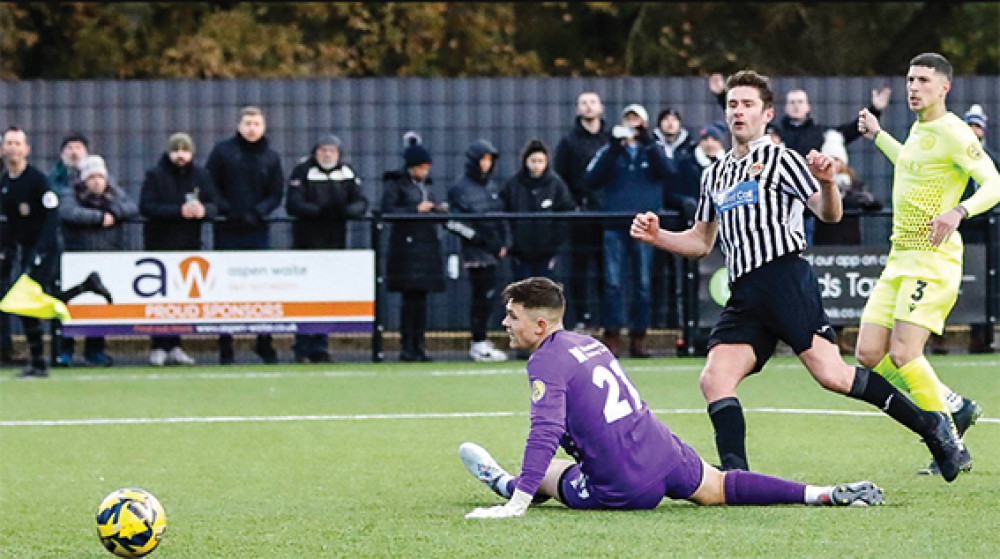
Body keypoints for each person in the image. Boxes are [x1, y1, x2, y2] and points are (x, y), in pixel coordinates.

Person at [629, 69, 966, 481]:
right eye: (733, 104)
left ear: (767, 114)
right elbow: (701, 241)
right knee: (715, 377)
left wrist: (827, 184)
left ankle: (932, 427)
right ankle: (736, 474)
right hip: (745, 293)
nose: (739, 111)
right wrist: (657, 235)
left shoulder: (781, 160)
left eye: (748, 104)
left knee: (833, 376)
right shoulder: (714, 174)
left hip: (785, 278)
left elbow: (829, 213)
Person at [457, 276, 885, 519]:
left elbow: (546, 430)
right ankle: (821, 493)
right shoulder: (588, 342)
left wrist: (517, 503)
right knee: (719, 486)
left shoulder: (545, 361)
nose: (505, 322)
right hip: (662, 450)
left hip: (622, 485)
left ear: (540, 326)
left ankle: (502, 483)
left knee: (552, 473)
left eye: (512, 316)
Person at [855, 53, 1000, 475]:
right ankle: (955, 406)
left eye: (922, 80)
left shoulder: (955, 131)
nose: (913, 87)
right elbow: (911, 165)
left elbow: (993, 182)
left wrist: (959, 212)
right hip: (900, 257)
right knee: (868, 353)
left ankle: (950, 444)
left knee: (904, 354)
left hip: (932, 259)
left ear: (944, 88)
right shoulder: (920, 130)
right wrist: (880, 135)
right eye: (909, 80)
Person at [709, 74, 891, 244]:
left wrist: (875, 109)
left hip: (809, 204)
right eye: (792, 102)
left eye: (800, 102)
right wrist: (721, 95)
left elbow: (851, 130)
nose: (796, 106)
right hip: (780, 207)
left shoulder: (820, 133)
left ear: (808, 106)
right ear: (784, 108)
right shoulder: (776, 132)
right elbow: (746, 118)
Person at [1, 127, 111, 378]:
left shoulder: (37, 180)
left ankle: (39, 362)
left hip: (46, 248)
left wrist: (41, 250)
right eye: (9, 143)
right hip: (26, 249)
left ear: (26, 149)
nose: (13, 148)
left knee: (24, 301)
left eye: (18, 143)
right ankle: (85, 287)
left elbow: (52, 217)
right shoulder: (5, 182)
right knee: (29, 302)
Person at [583, 103, 673, 358]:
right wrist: (613, 147)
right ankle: (612, 335)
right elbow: (591, 180)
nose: (632, 126)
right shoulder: (609, 150)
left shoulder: (653, 149)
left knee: (642, 284)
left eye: (637, 121)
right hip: (614, 225)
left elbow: (668, 171)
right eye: (628, 121)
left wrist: (648, 143)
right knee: (612, 284)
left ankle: (639, 338)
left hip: (644, 227)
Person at [206, 106, 284, 364]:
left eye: (257, 123)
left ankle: (264, 343)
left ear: (263, 127)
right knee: (225, 289)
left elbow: (276, 193)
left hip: (257, 230)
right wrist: (228, 210)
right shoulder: (223, 152)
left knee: (260, 288)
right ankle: (225, 346)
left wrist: (258, 212)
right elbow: (210, 185)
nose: (252, 128)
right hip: (227, 229)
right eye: (247, 123)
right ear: (239, 126)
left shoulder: (271, 157)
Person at [286, 133, 369, 363]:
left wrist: (345, 212)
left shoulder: (347, 173)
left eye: (332, 150)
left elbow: (361, 202)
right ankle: (302, 346)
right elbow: (293, 204)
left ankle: (320, 346)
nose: (327, 154)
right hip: (306, 244)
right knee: (304, 297)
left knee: (327, 296)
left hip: (335, 245)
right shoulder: (302, 172)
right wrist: (319, 212)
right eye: (323, 150)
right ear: (315, 152)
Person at [139, 132, 219, 367]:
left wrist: (204, 211)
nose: (180, 155)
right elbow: (146, 206)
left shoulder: (201, 176)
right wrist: (177, 211)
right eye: (176, 151)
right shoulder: (155, 175)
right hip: (159, 245)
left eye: (185, 151)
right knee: (160, 300)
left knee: (181, 298)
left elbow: (216, 204)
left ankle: (176, 345)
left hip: (189, 246)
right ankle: (158, 345)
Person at [57, 154, 138, 367]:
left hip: (105, 258)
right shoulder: (70, 193)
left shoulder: (113, 195)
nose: (96, 181)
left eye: (100, 177)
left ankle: (95, 351)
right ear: (84, 179)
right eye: (91, 177)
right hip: (76, 259)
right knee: (69, 306)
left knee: (98, 306)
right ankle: (65, 350)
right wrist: (99, 218)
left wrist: (113, 213)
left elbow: (131, 207)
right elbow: (68, 212)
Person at [382, 133, 447, 362]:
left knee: (421, 301)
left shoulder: (427, 186)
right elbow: (388, 211)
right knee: (409, 301)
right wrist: (415, 209)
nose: (424, 172)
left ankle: (418, 344)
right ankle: (407, 345)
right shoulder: (396, 185)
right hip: (407, 250)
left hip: (425, 248)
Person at [446, 138, 510, 363]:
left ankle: (482, 340)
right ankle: (478, 342)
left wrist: (503, 243)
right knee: (480, 297)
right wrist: (481, 240)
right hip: (475, 254)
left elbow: (500, 217)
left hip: (492, 253)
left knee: (489, 297)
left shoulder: (491, 188)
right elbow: (454, 222)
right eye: (483, 159)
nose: (487, 164)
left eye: (490, 160)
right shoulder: (460, 189)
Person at [553, 91, 611, 331]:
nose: (588, 107)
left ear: (601, 108)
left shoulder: (611, 140)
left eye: (592, 102)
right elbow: (561, 177)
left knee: (607, 268)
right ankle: (581, 318)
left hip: (608, 214)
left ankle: (607, 320)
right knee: (579, 267)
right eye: (583, 103)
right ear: (578, 110)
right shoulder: (568, 142)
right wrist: (574, 204)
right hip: (581, 214)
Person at [498, 139, 574, 281]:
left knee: (543, 294)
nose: (537, 165)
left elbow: (566, 213)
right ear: (526, 161)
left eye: (541, 161)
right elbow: (502, 212)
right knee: (522, 293)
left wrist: (554, 241)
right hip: (519, 253)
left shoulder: (556, 185)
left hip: (546, 252)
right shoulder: (513, 185)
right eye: (533, 161)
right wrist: (511, 241)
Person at [812, 130, 883, 246]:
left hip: (850, 240)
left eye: (836, 160)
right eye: (830, 159)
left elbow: (876, 205)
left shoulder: (854, 185)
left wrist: (855, 196)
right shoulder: (816, 183)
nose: (833, 164)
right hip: (824, 240)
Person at [46, 133, 90, 197]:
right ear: (62, 154)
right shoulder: (51, 178)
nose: (74, 152)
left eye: (78, 148)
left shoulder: (97, 177)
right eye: (70, 148)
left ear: (86, 153)